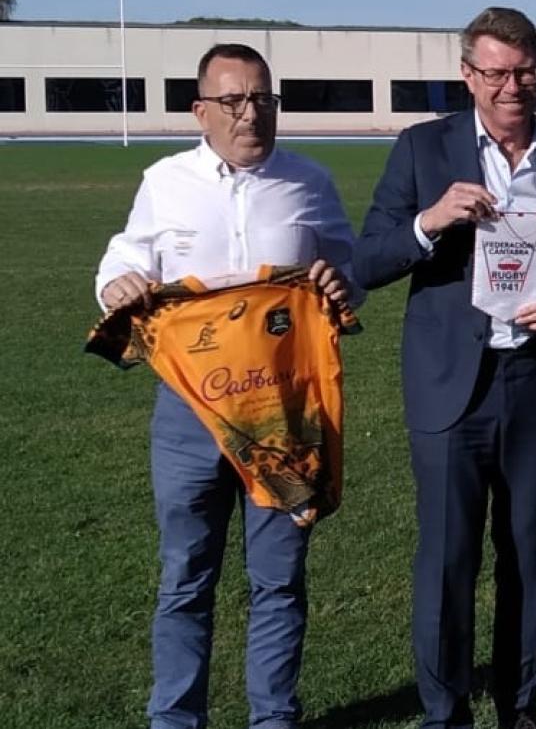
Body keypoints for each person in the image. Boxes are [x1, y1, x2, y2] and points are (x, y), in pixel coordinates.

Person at [352, 7, 536, 729]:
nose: (511, 86)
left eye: (524, 71)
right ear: (467, 75)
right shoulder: (421, 150)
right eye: (495, 72)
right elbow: (365, 261)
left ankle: (521, 705)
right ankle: (445, 712)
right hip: (449, 387)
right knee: (447, 560)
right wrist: (429, 222)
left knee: (532, 555)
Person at [94, 42, 360, 729]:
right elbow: (126, 253)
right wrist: (115, 281)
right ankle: (175, 718)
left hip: (285, 417)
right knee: (186, 577)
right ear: (201, 111)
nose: (252, 115)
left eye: (264, 100)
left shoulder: (310, 181)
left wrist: (339, 281)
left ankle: (273, 718)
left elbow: (345, 264)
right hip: (187, 414)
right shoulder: (165, 180)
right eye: (235, 101)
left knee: (278, 579)